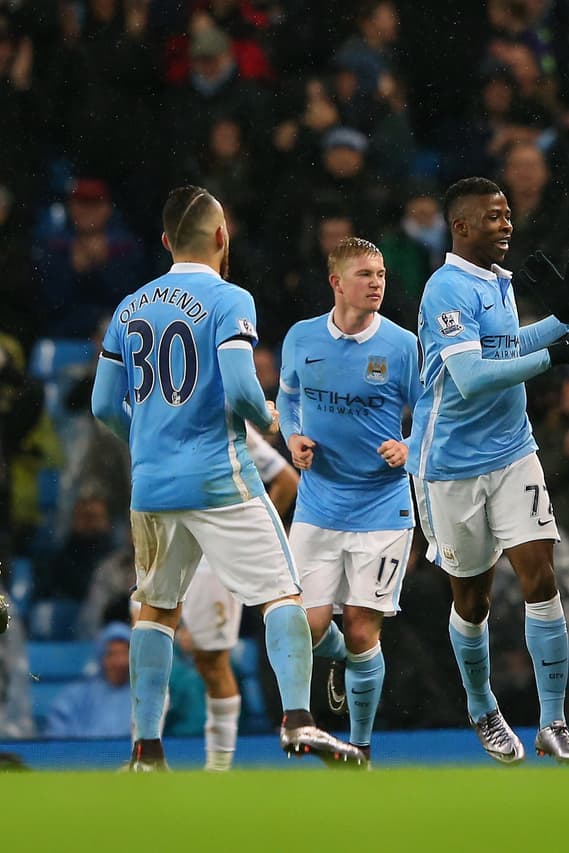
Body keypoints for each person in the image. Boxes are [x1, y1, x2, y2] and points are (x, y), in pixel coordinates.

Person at [90, 185, 362, 770]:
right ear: (221, 237)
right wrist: (275, 420)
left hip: (152, 486)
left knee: (155, 610)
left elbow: (103, 407)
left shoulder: (129, 306)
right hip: (218, 477)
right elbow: (240, 388)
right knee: (280, 596)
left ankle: (145, 751)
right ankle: (297, 722)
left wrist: (149, 442)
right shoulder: (229, 298)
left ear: (165, 242)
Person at [407, 177, 569, 765]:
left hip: (511, 453)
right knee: (471, 599)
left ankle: (554, 721)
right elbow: (473, 378)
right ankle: (483, 708)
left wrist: (568, 319)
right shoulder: (445, 289)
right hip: (449, 465)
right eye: (493, 217)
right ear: (462, 226)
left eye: (507, 216)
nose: (506, 225)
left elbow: (506, 346)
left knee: (539, 573)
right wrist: (557, 354)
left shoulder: (499, 282)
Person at [278, 236, 421, 764]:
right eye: (365, 274)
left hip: (382, 507)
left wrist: (409, 445)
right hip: (317, 505)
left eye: (381, 273)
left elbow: (430, 407)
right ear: (336, 281)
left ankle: (358, 745)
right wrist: (292, 438)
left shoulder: (402, 344)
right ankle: (336, 660)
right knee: (307, 629)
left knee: (363, 627)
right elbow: (288, 397)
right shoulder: (301, 337)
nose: (377, 283)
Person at [179, 425, 298, 771]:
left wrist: (243, 541)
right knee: (146, 637)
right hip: (166, 544)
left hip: (208, 564)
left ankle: (218, 766)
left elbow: (287, 480)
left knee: (211, 661)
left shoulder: (231, 421)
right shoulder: (152, 406)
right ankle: (145, 751)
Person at [45, 622, 133, 739]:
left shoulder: (144, 697)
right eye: (112, 654)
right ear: (101, 657)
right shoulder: (75, 696)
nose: (119, 662)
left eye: (124, 653)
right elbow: (55, 736)